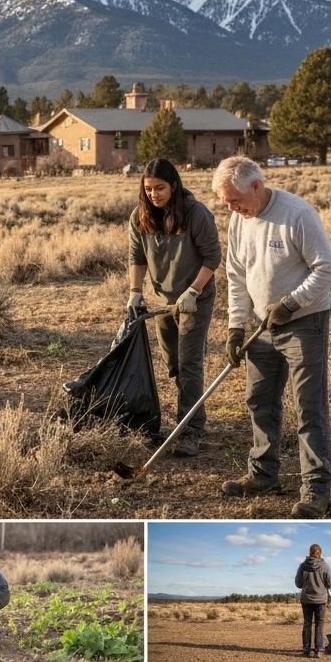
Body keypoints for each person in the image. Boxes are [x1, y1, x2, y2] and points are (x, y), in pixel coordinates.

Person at [212, 156, 331, 518]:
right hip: (261, 326)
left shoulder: (297, 214)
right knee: (260, 400)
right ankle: (263, 475)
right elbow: (236, 276)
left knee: (309, 407)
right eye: (226, 204)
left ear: (256, 185)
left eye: (235, 200)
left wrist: (292, 303)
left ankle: (316, 490)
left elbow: (328, 270)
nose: (232, 209)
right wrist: (236, 326)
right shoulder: (239, 219)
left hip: (304, 322)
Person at [127, 158, 221, 457]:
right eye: (149, 189)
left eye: (160, 188)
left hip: (195, 299)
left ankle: (191, 431)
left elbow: (212, 258)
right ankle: (188, 418)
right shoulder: (140, 217)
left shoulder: (196, 214)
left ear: (174, 185)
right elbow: (137, 258)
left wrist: (194, 291)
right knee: (175, 365)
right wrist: (134, 293)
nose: (154, 194)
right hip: (163, 300)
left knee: (190, 362)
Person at [295, 543, 331, 658]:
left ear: (309, 552)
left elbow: (298, 583)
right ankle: (319, 650)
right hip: (321, 600)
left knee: (307, 623)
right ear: (320, 553)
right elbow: (330, 583)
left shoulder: (302, 566)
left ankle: (306, 649)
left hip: (306, 599)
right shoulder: (325, 566)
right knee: (319, 625)